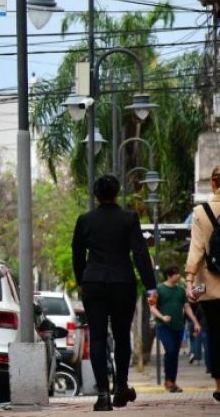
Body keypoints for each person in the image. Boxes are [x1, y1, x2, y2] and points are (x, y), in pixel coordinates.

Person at [73, 174, 158, 411]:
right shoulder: (129, 219)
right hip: (122, 283)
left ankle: (102, 396)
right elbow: (140, 254)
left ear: (95, 195)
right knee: (122, 337)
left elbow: (77, 256)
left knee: (98, 338)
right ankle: (121, 387)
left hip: (94, 284)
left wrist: (82, 281)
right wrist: (151, 286)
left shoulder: (85, 220)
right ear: (117, 193)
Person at [185, 165, 220, 403]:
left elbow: (196, 249)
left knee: (216, 336)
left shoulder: (201, 211)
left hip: (210, 289)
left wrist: (189, 281)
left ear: (213, 184)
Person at [150, 266, 201, 392]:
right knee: (171, 350)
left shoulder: (180, 290)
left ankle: (172, 381)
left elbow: (187, 307)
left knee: (174, 354)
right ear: (169, 275)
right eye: (177, 273)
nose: (179, 275)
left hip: (179, 326)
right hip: (164, 326)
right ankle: (168, 381)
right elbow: (152, 307)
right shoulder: (159, 289)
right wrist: (162, 317)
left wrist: (195, 322)